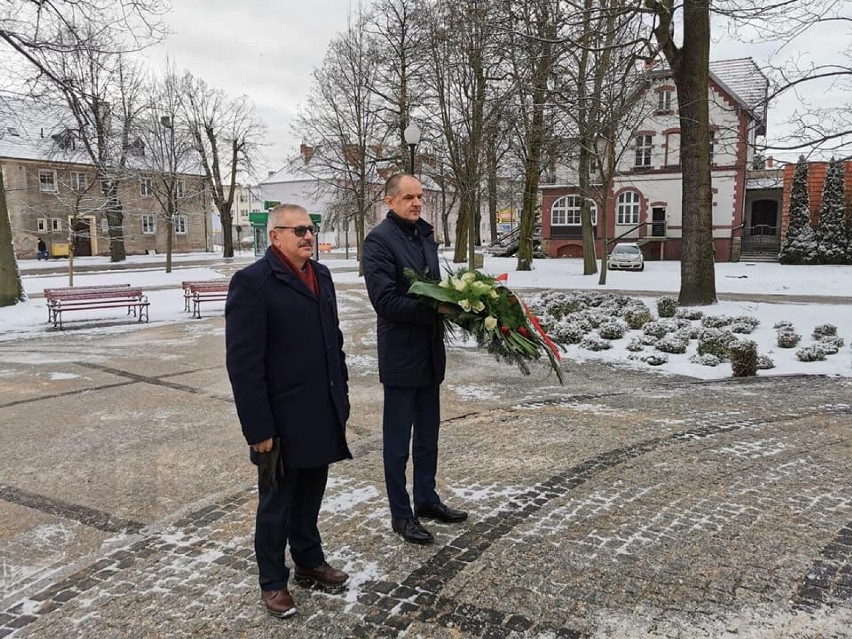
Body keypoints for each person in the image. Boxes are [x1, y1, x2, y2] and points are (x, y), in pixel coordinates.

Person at [225, 203, 352, 619]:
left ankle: (309, 562)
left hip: (319, 411)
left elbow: (332, 338)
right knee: (276, 504)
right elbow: (244, 365)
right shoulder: (253, 283)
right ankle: (272, 581)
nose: (307, 236)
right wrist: (258, 427)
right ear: (274, 236)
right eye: (297, 230)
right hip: (279, 420)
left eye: (310, 229)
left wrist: (342, 396)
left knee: (310, 496)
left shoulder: (322, 275)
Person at [363, 174, 468, 545]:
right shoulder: (378, 241)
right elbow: (385, 301)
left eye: (420, 196)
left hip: (429, 355)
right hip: (401, 357)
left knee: (428, 437)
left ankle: (426, 498)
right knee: (397, 443)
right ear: (389, 201)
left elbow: (435, 287)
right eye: (408, 197)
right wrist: (436, 309)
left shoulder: (424, 236)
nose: (416, 202)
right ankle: (401, 514)